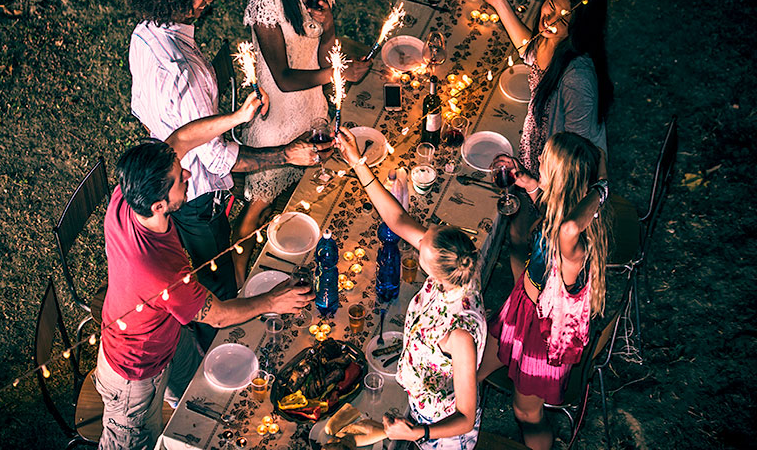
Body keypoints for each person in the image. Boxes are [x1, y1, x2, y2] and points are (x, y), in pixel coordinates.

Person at [95, 99, 315, 450]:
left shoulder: (128, 196)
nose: (187, 174)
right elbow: (218, 315)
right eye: (179, 178)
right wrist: (275, 299)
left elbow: (181, 138)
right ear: (159, 206)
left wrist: (239, 117)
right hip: (135, 374)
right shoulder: (159, 270)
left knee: (197, 405)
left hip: (169, 337)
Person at [127, 0, 329, 296]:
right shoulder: (183, 75)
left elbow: (147, 110)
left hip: (172, 170)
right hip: (199, 197)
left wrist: (235, 117)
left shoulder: (143, 34)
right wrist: (287, 154)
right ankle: (218, 339)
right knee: (216, 278)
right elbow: (222, 162)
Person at [335, 128, 486, 450]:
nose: (418, 239)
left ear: (432, 268)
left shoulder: (459, 336)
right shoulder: (459, 265)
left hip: (442, 431)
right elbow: (397, 218)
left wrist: (418, 434)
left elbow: (466, 416)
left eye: (420, 247)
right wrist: (357, 162)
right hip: (420, 405)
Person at [237, 0, 369, 248]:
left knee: (321, 197)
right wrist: (337, 75)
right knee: (255, 215)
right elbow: (282, 78)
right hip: (277, 122)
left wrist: (327, 25)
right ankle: (237, 273)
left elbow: (326, 52)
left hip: (314, 111)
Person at [477, 133, 611, 450]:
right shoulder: (563, 209)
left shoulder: (573, 243)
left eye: (544, 163)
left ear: (562, 179)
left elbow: (566, 228)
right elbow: (556, 208)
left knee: (526, 411)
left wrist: (602, 189)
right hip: (521, 308)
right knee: (476, 365)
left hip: (543, 335)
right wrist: (529, 183)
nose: (538, 163)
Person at [476, 0, 614, 278]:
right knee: (516, 235)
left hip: (559, 181)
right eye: (550, 5)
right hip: (536, 165)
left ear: (577, 30)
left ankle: (533, 302)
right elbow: (530, 48)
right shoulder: (551, 43)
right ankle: (520, 298)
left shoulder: (578, 78)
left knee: (529, 240)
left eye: (562, 20)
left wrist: (548, 188)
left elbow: (581, 152)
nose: (548, 20)